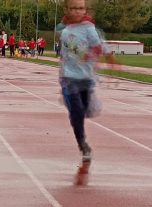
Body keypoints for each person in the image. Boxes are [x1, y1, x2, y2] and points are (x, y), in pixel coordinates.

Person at [59, 0, 115, 184]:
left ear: (85, 9)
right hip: (69, 79)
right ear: (68, 9)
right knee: (76, 112)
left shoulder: (89, 29)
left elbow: (98, 45)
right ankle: (83, 144)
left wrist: (108, 56)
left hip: (86, 80)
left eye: (81, 8)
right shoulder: (66, 33)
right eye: (74, 8)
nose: (77, 11)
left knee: (82, 112)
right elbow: (67, 56)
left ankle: (79, 130)